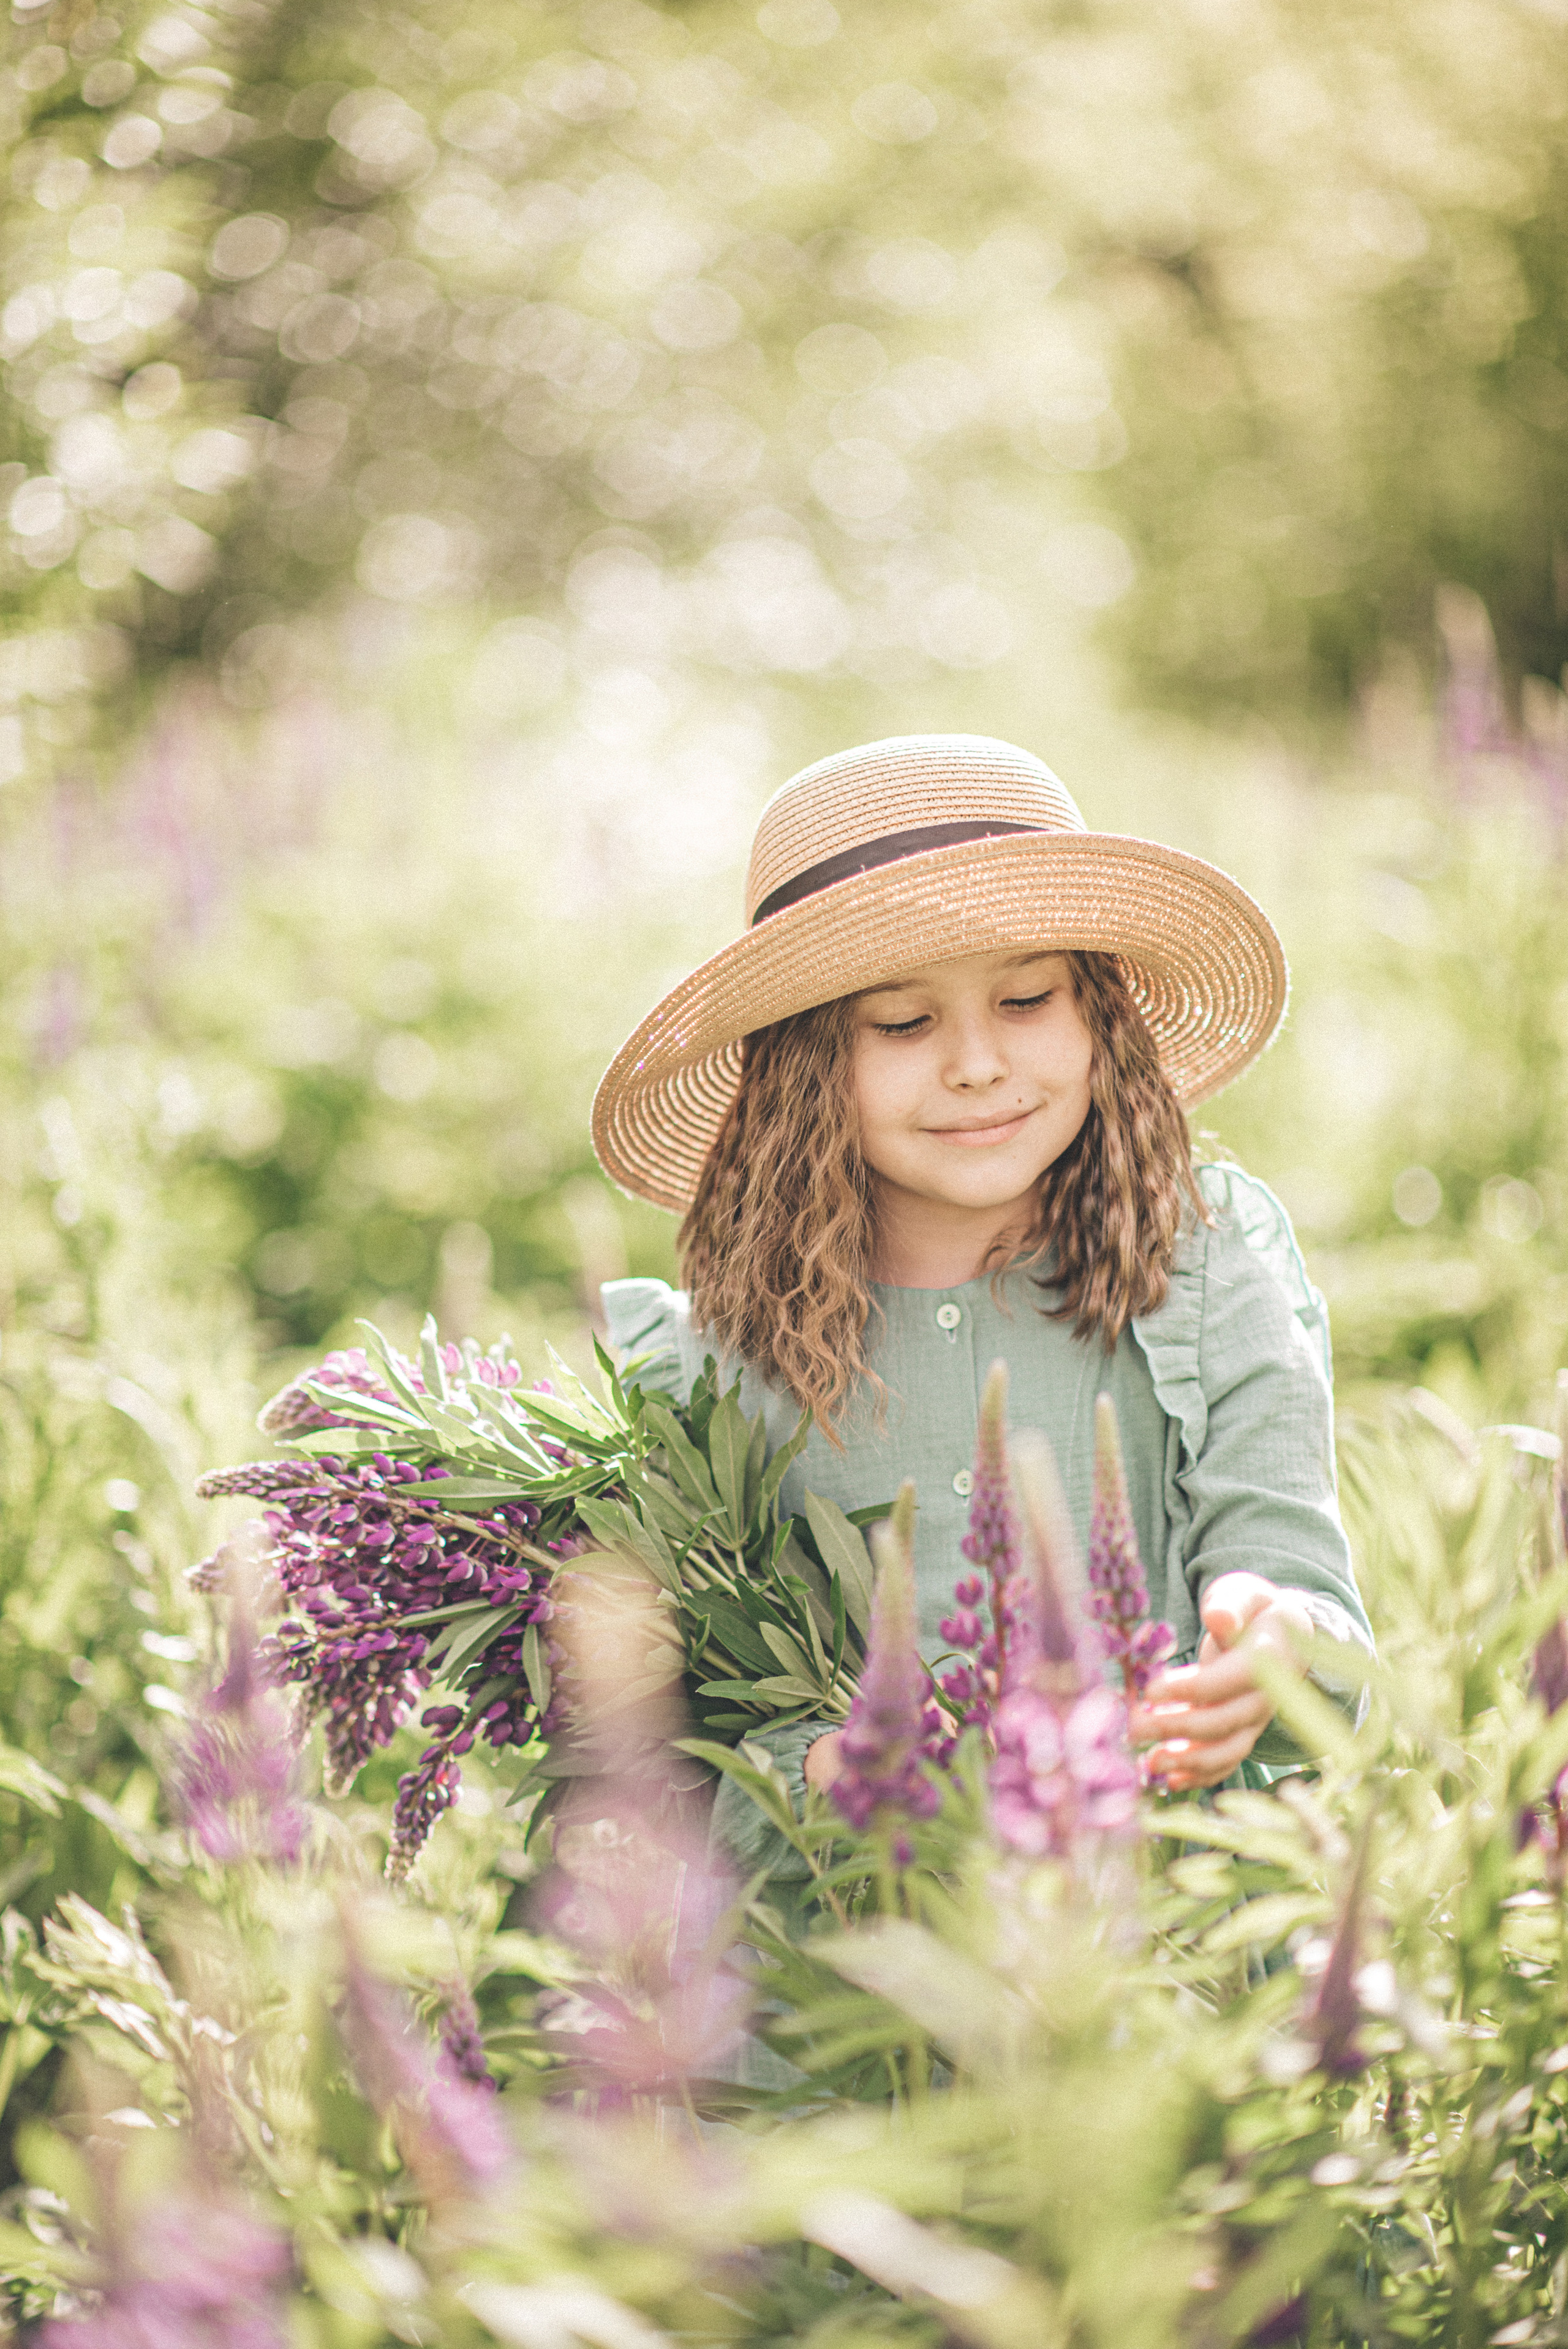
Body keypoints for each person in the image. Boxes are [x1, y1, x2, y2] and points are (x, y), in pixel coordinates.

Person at [590, 733, 1372, 1830]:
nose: (976, 1062)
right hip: (854, 1954)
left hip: (1165, 1938)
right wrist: (829, 1762)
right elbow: (684, 1727)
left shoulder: (1204, 1264)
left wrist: (1270, 1638)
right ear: (808, 1066)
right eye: (903, 1021)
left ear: (1098, 1011)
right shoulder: (719, 1358)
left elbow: (1305, 1592)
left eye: (1026, 1000)